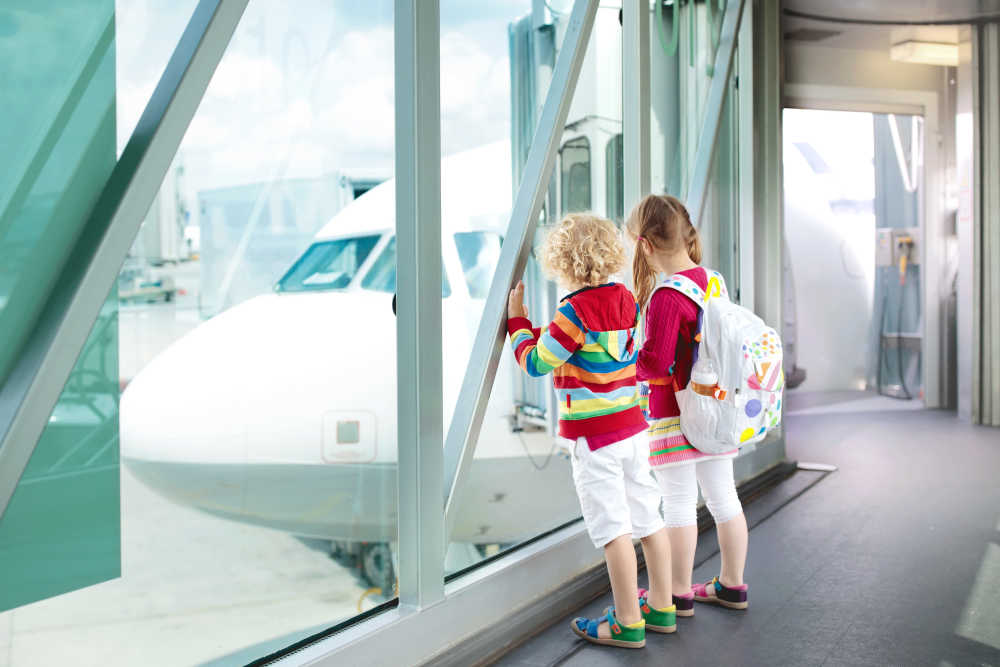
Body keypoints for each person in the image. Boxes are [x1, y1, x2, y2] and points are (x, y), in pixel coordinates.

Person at [507, 213, 675, 649]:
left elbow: (536, 361)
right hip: (633, 430)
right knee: (648, 517)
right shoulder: (626, 299)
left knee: (613, 530)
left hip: (595, 439)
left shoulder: (572, 311)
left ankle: (627, 622)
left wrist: (517, 323)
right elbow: (596, 347)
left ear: (561, 263)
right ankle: (660, 606)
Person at [628, 194, 750, 616]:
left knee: (678, 503)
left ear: (645, 245)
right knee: (724, 498)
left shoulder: (665, 297)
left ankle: (678, 592)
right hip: (716, 407)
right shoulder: (712, 280)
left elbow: (656, 363)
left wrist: (627, 360)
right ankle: (732, 585)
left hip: (673, 414)